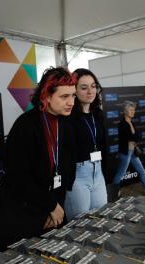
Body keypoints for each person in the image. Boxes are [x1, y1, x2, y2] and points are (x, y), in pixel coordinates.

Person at [0, 67, 77, 251]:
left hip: (50, 209)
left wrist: (55, 207)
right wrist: (51, 205)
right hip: (21, 212)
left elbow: (65, 169)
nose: (71, 102)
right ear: (47, 96)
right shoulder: (26, 125)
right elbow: (18, 176)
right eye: (64, 96)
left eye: (73, 96)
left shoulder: (65, 123)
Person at [64, 68, 108, 220]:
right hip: (78, 175)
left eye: (93, 86)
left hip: (98, 172)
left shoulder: (98, 114)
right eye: (84, 87)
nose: (90, 91)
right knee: (79, 224)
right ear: (74, 90)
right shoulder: (68, 117)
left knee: (101, 219)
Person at [112, 101, 145, 196]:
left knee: (141, 171)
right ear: (125, 111)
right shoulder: (122, 124)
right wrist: (132, 137)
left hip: (132, 152)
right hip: (125, 153)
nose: (133, 112)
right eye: (131, 110)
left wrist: (133, 137)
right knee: (120, 174)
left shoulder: (131, 123)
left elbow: (136, 137)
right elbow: (130, 137)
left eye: (134, 110)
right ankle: (113, 193)